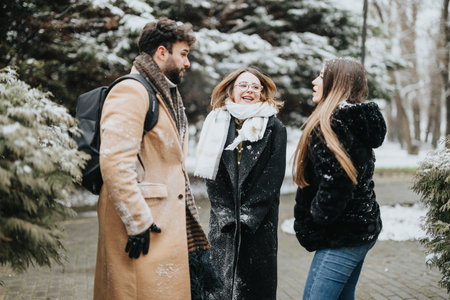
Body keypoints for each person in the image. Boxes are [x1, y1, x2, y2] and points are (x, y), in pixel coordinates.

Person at [94, 17, 219, 300]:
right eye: (183, 54)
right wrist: (137, 221)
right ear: (161, 52)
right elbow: (115, 162)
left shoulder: (162, 93)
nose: (187, 63)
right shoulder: (132, 90)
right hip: (143, 227)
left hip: (163, 224)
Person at [292, 57, 387, 300]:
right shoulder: (353, 122)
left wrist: (313, 222)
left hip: (343, 236)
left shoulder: (332, 125)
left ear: (338, 83)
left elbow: (336, 186)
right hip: (361, 228)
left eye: (322, 76)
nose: (314, 81)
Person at [194, 67, 287, 300]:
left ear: (262, 93)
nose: (250, 90)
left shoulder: (274, 127)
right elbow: (212, 175)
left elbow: (272, 178)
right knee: (220, 288)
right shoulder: (217, 123)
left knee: (254, 289)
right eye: (243, 85)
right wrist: (226, 215)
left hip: (258, 223)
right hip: (222, 222)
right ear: (231, 90)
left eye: (256, 87)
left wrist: (247, 217)